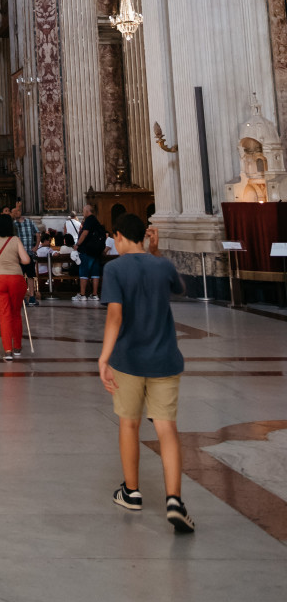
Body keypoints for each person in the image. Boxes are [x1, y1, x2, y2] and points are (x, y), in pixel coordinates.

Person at [99, 214, 194, 534]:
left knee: (129, 424)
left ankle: (132, 491)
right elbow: (178, 289)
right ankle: (174, 500)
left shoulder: (114, 268)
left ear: (121, 236)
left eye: (115, 237)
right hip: (165, 359)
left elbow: (115, 315)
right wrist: (157, 252)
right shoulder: (162, 264)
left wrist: (104, 357)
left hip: (129, 360)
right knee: (167, 428)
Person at [0, 211, 30, 361]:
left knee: (4, 315)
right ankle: (17, 348)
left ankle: (7, 351)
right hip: (16, 278)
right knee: (16, 313)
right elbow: (26, 260)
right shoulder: (15, 240)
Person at [75, 201, 107, 305]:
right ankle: (94, 295)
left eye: (84, 211)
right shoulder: (96, 221)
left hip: (87, 250)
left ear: (87, 211)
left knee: (84, 272)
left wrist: (78, 244)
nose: (83, 213)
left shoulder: (89, 220)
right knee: (95, 273)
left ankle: (83, 295)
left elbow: (84, 233)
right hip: (96, 251)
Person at [10, 200, 40, 303]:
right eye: (14, 212)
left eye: (17, 211)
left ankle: (32, 296)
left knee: (30, 275)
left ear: (21, 212)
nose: (16, 213)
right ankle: (21, 296)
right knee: (19, 276)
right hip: (18, 255)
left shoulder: (30, 222)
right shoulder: (13, 224)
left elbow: (37, 233)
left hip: (29, 252)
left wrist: (36, 246)